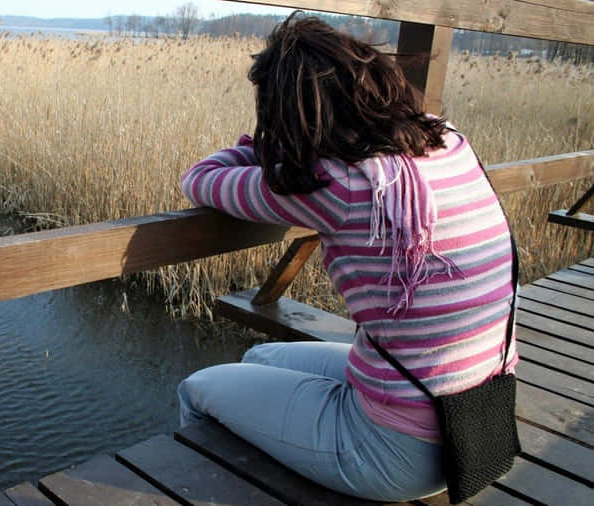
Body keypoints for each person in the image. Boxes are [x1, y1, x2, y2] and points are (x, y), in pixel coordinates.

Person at [177, 15, 517, 502]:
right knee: (259, 357)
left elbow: (200, 179)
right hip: (472, 426)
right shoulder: (447, 140)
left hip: (392, 452)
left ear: (289, 113)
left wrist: (261, 146)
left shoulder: (332, 184)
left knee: (197, 388)